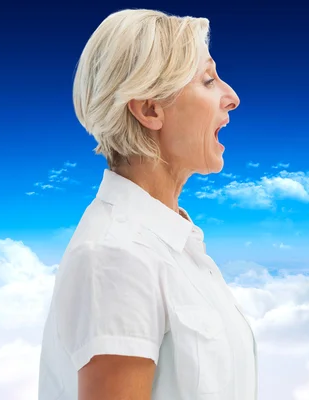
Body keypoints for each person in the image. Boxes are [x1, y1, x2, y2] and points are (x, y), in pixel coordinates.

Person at [39, 8, 257, 400]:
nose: (232, 97)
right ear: (150, 109)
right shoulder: (116, 255)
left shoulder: (168, 244)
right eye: (208, 80)